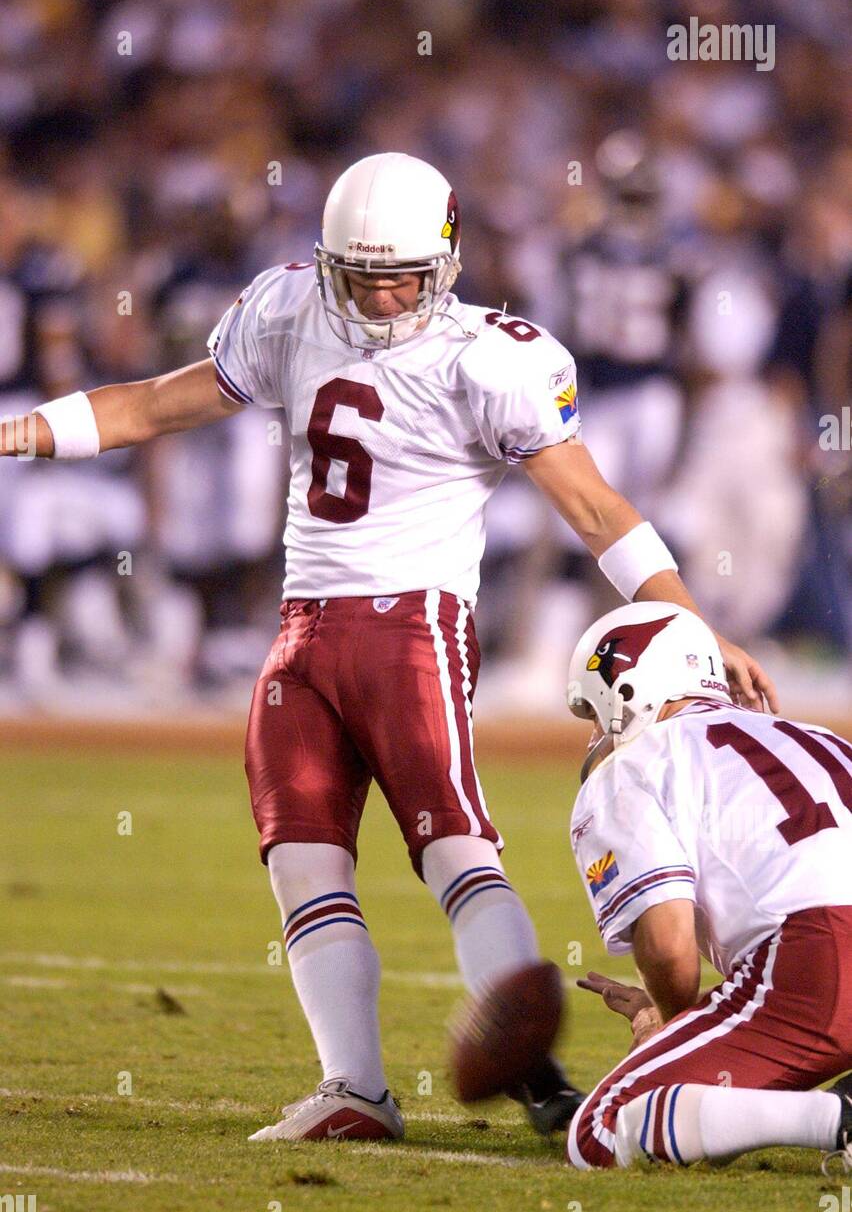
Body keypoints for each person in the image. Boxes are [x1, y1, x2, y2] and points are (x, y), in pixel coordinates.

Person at [1, 152, 777, 1144]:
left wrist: (691, 625)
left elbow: (594, 509)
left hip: (411, 624)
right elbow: (152, 402)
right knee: (301, 860)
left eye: (398, 274)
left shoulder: (488, 357)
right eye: (359, 274)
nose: (376, 295)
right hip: (299, 634)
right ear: (326, 261)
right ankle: (355, 1088)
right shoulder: (286, 311)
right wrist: (17, 430)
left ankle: (533, 1066)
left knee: (453, 846)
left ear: (446, 259)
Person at [562, 600, 851, 1173]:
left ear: (627, 692)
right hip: (825, 944)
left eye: (594, 712)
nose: (596, 732)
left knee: (601, 1129)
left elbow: (670, 947)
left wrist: (664, 1025)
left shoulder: (637, 762)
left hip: (823, 956)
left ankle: (834, 1120)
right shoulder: (819, 735)